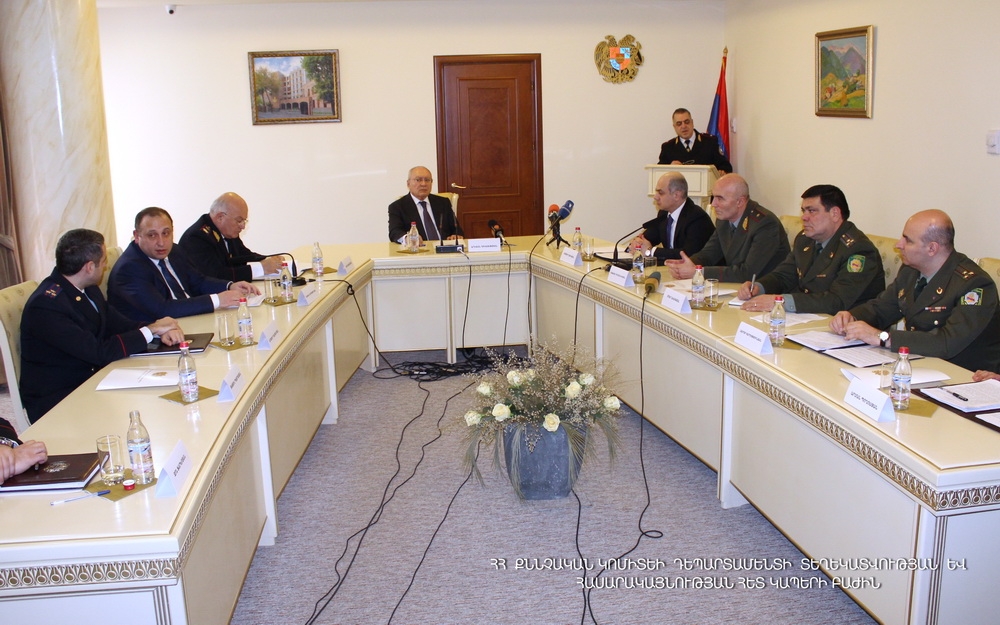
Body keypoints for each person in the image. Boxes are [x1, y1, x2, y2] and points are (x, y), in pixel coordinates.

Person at [20, 229, 185, 422]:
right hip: (59, 398)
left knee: (160, 397)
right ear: (90, 267)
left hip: (90, 378)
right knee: (145, 412)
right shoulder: (47, 306)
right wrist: (150, 331)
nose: (106, 266)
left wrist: (156, 330)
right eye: (104, 260)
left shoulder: (86, 288)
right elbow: (97, 352)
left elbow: (117, 324)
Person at [830, 210, 1000, 372]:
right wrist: (851, 317)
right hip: (921, 365)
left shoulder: (974, 285)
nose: (898, 245)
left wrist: (883, 337)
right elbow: (881, 308)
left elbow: (947, 342)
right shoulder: (910, 271)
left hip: (962, 376)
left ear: (932, 248)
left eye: (908, 240)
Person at [739, 184, 883, 315]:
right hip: (809, 318)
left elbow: (837, 301)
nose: (804, 217)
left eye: (812, 211)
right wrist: (759, 287)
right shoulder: (805, 239)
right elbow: (784, 275)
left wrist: (780, 302)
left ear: (835, 214)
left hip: (845, 326)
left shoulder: (858, 250)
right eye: (803, 211)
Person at [108, 207, 259, 323]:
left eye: (166, 233)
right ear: (137, 236)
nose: (161, 242)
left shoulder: (174, 251)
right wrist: (218, 300)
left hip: (189, 321)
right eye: (152, 235)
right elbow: (163, 309)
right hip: (156, 339)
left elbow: (198, 281)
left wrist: (229, 286)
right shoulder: (129, 269)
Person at [665, 173, 789, 282]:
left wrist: (699, 272)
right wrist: (688, 264)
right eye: (713, 197)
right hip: (740, 288)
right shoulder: (723, 220)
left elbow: (748, 273)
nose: (713, 204)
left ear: (740, 202)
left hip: (768, 291)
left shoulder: (765, 224)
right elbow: (709, 254)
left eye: (720, 198)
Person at [177, 192, 284, 282]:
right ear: (220, 217)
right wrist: (261, 268)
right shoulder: (197, 238)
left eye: (244, 221)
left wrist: (268, 260)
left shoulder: (228, 231)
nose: (243, 226)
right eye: (239, 220)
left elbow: (244, 255)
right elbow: (215, 275)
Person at [629, 171, 715, 263]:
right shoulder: (664, 213)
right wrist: (638, 243)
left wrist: (650, 251)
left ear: (676, 195)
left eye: (660, 193)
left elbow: (688, 255)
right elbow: (648, 237)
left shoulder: (697, 218)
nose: (655, 197)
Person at [387, 166, 464, 243]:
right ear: (408, 184)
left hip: (444, 247)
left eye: (427, 180)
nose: (423, 184)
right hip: (419, 248)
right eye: (418, 180)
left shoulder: (443, 202)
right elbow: (394, 232)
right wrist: (407, 238)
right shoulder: (397, 207)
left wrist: (456, 235)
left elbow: (456, 228)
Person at [657, 108, 733, 173]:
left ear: (692, 122)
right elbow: (658, 172)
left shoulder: (710, 142)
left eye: (686, 122)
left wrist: (721, 172)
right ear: (674, 127)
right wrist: (670, 168)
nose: (683, 126)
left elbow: (726, 167)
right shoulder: (668, 147)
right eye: (679, 123)